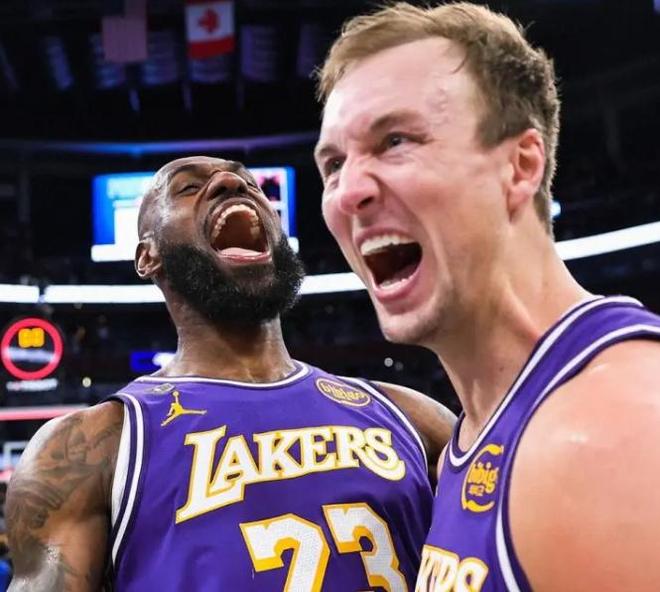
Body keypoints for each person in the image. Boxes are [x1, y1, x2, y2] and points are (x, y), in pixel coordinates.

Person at [314, 3, 660, 591]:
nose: (348, 191)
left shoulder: (609, 433)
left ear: (521, 167)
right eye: (333, 164)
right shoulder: (479, 432)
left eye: (394, 141)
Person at [5, 156, 455, 591]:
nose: (231, 183)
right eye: (188, 187)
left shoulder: (412, 418)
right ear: (147, 256)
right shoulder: (91, 450)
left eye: (249, 183)